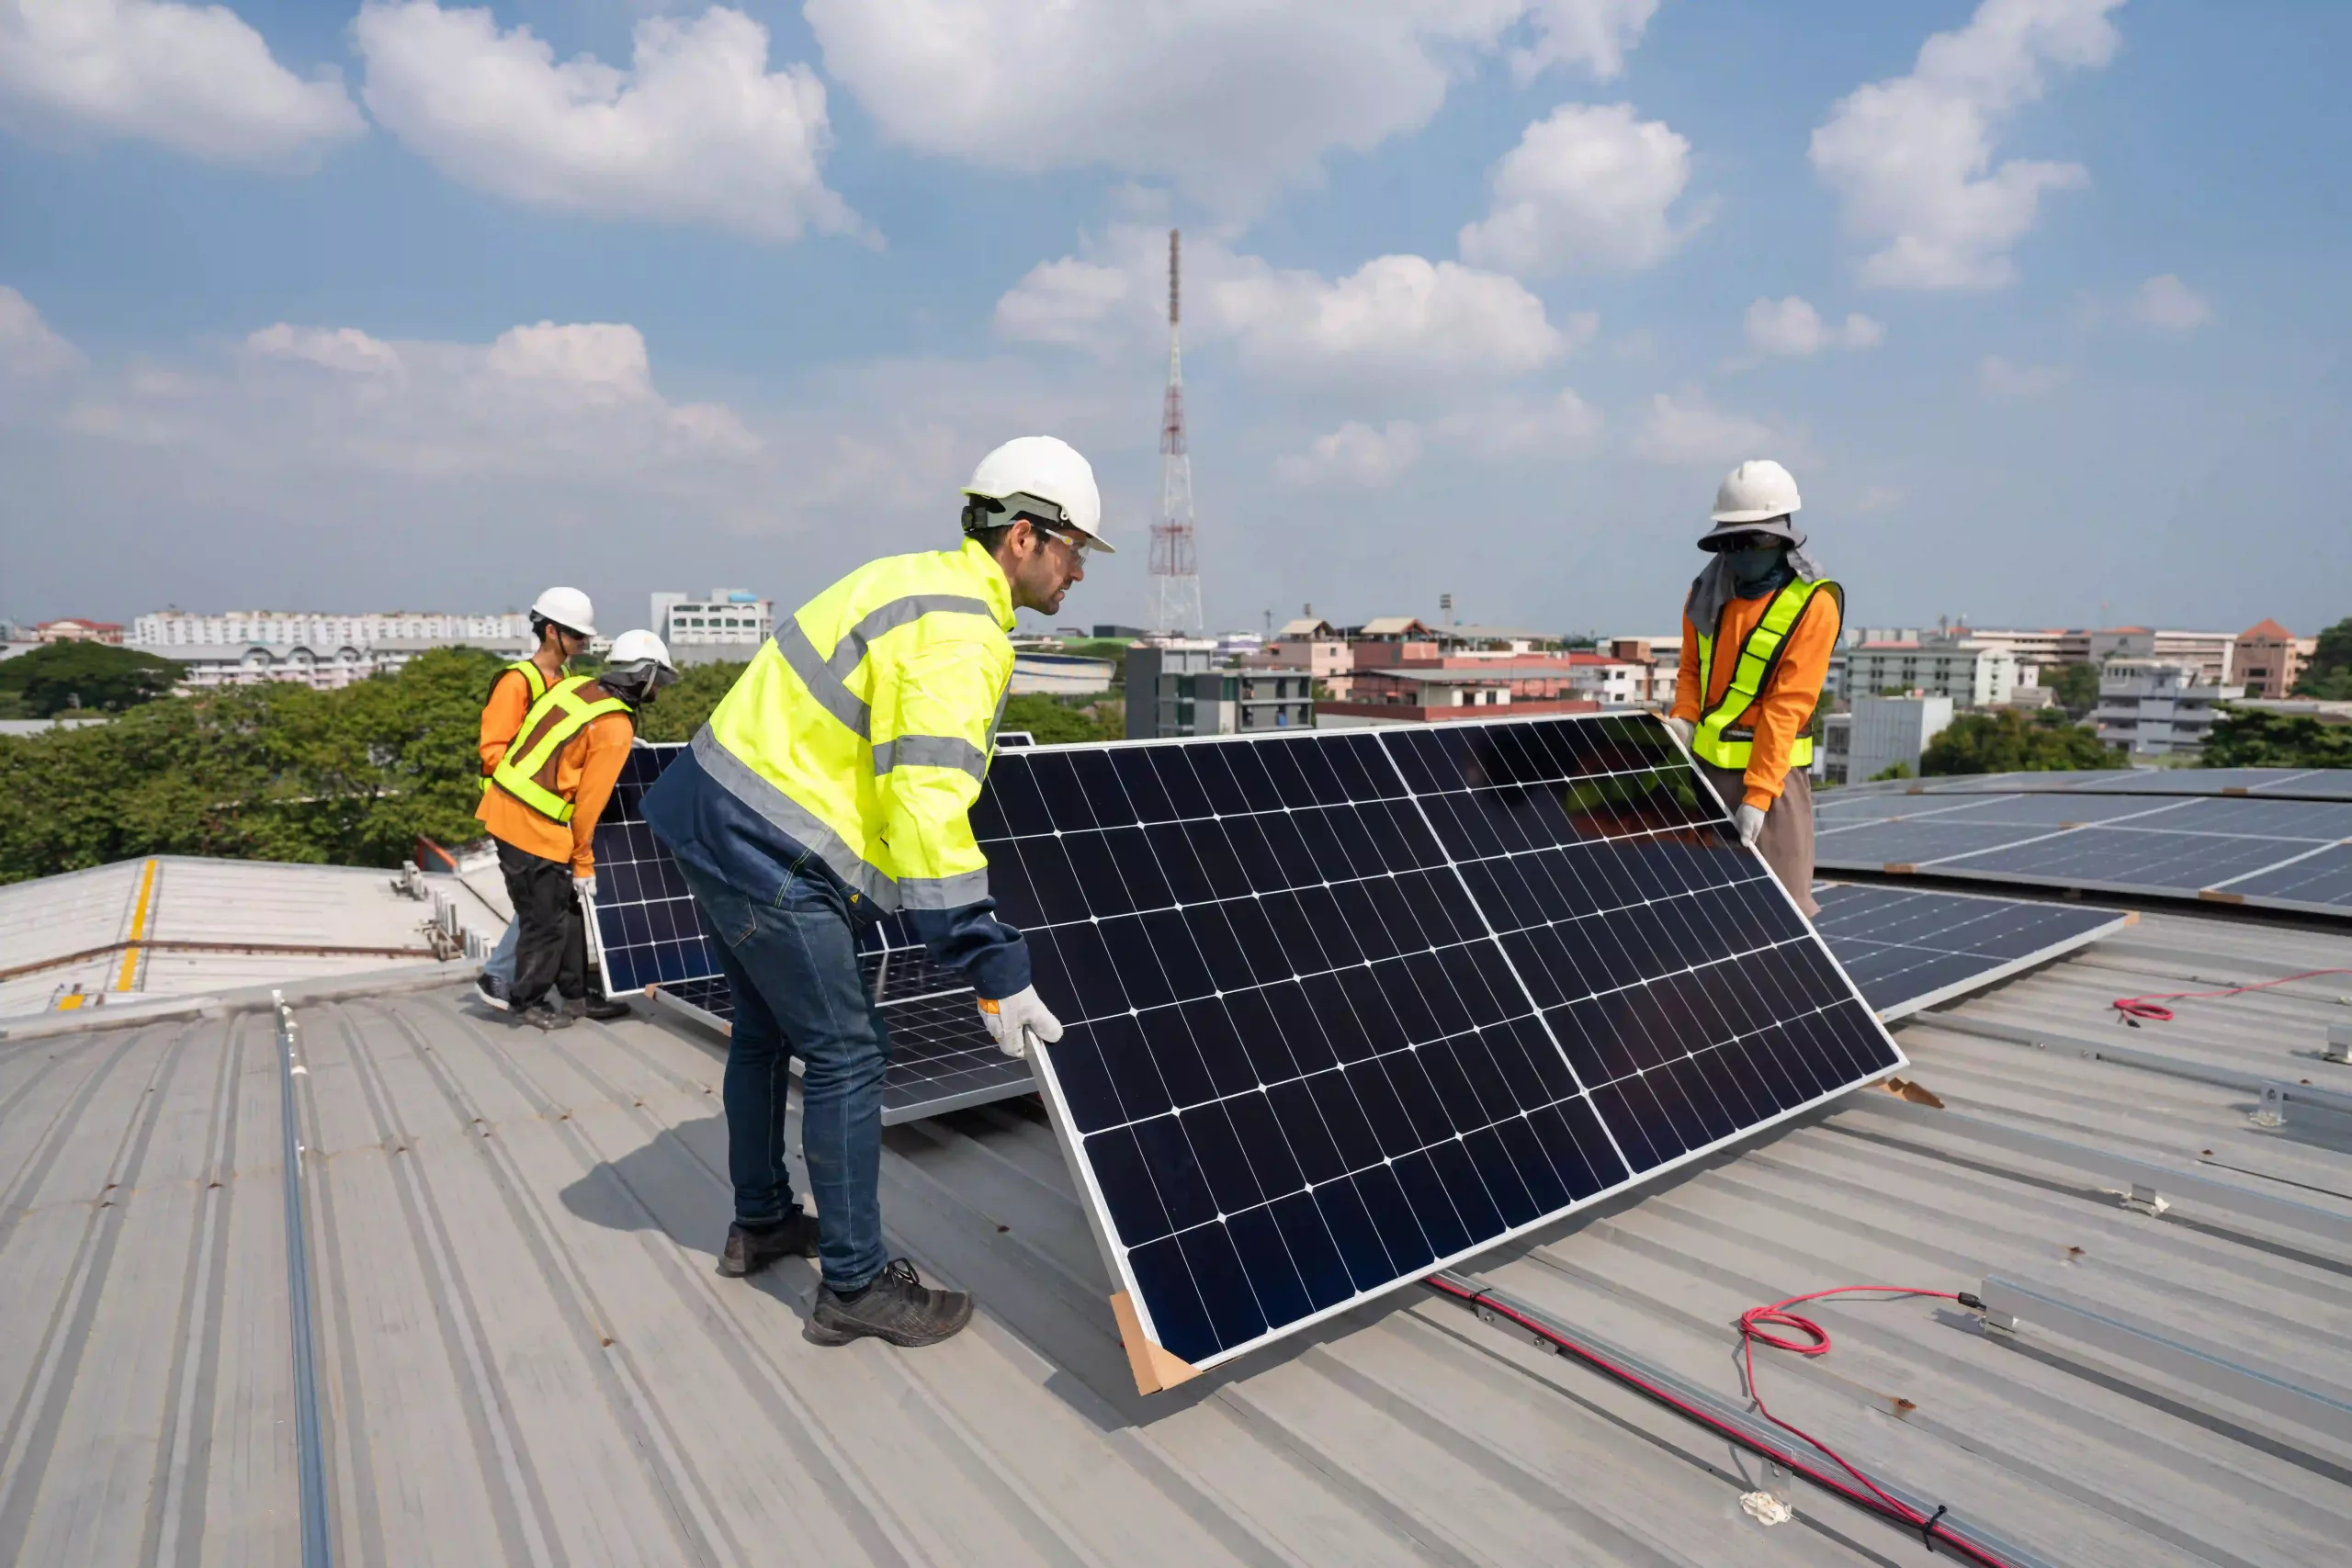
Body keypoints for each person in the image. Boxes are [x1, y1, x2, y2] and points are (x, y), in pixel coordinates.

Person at [641, 435, 1106, 1348]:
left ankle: (764, 1219)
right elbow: (927, 806)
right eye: (1076, 549)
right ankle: (853, 1286)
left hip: (713, 810)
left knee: (767, 1036)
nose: (1080, 572)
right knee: (851, 1052)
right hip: (766, 845)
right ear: (1023, 537)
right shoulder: (959, 637)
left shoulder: (908, 580)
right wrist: (990, 958)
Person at [1665, 459, 1842, 917]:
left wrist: (1759, 796)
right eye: (1730, 543)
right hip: (1701, 781)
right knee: (1707, 916)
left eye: (1754, 540)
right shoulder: (1704, 595)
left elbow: (1788, 708)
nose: (1740, 553)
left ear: (1782, 537)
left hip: (1773, 785)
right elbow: (1691, 671)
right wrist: (1683, 718)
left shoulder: (1811, 604)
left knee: (1778, 917)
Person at [479, 629, 680, 1030]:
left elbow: (552, 735)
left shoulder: (578, 688)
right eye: (658, 684)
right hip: (530, 824)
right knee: (544, 920)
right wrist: (584, 860)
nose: (658, 694)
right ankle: (526, 1000)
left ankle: (575, 995)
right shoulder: (614, 727)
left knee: (566, 907)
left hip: (512, 808)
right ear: (645, 677)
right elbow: (589, 803)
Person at [476, 587, 596, 1012]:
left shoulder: (564, 683)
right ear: (551, 631)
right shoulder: (516, 682)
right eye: (577, 636)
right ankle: (503, 979)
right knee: (540, 906)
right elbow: (493, 751)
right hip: (515, 815)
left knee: (548, 902)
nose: (583, 645)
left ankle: (517, 978)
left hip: (546, 817)